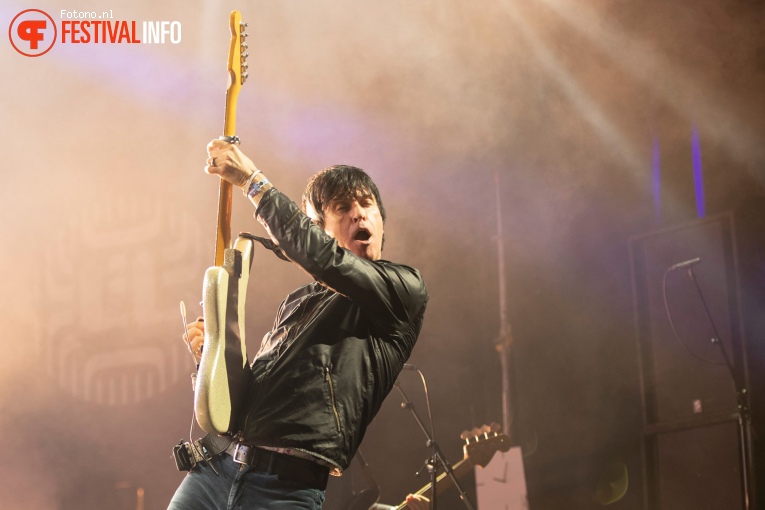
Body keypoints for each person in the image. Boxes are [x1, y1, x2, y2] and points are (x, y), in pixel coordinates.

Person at [168, 139, 428, 510]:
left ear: (382, 222)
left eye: (367, 205)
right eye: (343, 207)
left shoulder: (404, 288)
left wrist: (253, 182)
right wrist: (210, 356)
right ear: (318, 227)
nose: (359, 215)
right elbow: (244, 401)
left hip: (286, 490)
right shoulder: (297, 302)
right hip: (214, 472)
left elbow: (326, 259)